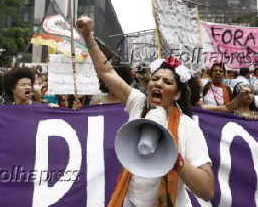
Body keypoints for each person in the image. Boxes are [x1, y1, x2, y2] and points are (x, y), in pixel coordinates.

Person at [76, 17, 214, 206]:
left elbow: (207, 191)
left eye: (167, 82)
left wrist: (178, 162)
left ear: (176, 94)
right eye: (155, 79)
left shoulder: (187, 127)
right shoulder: (138, 103)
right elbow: (107, 72)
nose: (158, 83)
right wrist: (87, 35)